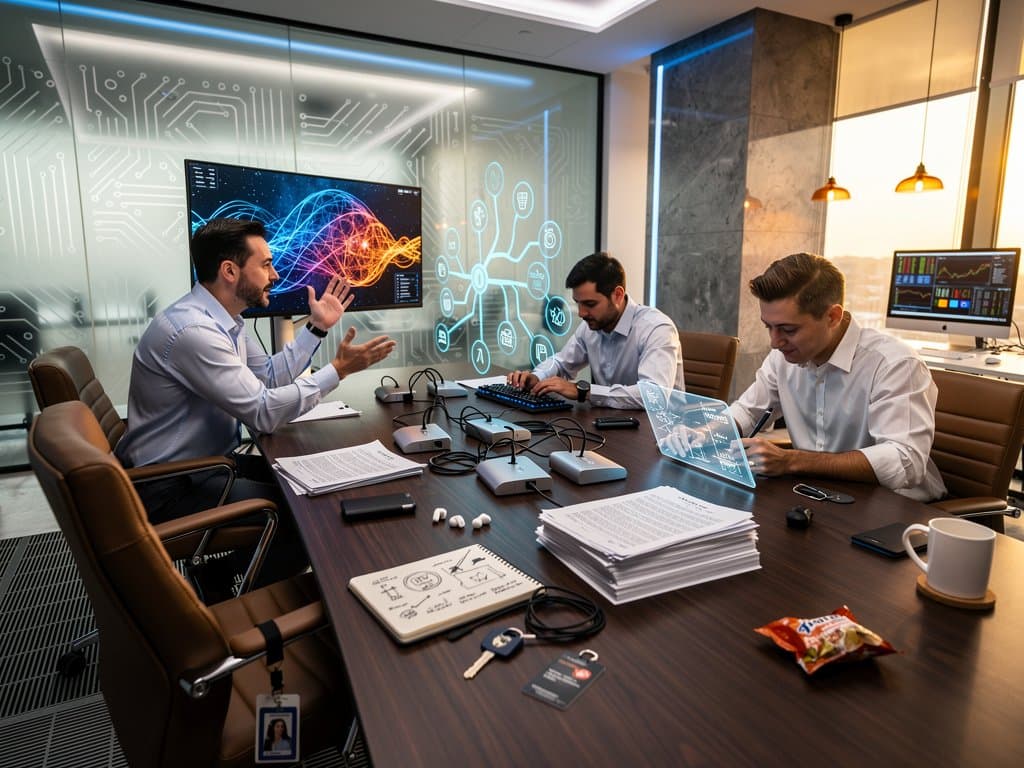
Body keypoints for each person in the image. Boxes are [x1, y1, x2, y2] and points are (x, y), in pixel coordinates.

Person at [114, 218, 395, 589]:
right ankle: (235, 597)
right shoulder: (194, 332)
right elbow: (263, 412)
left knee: (311, 484)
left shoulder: (224, 321)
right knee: (305, 514)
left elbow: (269, 377)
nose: (275, 275)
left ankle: (214, 580)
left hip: (207, 467)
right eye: (265, 265)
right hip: (170, 488)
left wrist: (316, 328)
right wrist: (338, 371)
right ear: (230, 271)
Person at [728, 252, 945, 502]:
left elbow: (904, 462)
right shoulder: (783, 357)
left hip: (895, 506)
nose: (775, 342)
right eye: (769, 327)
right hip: (819, 494)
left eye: (788, 329)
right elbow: (748, 412)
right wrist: (707, 431)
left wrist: (791, 461)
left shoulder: (894, 364)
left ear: (832, 317)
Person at [507, 251, 684, 409]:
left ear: (618, 295)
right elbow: (562, 362)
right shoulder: (591, 327)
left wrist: (584, 392)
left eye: (590, 304)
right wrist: (538, 377)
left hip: (663, 430)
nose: (582, 313)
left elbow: (654, 396)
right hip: (612, 423)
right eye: (578, 303)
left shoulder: (656, 329)